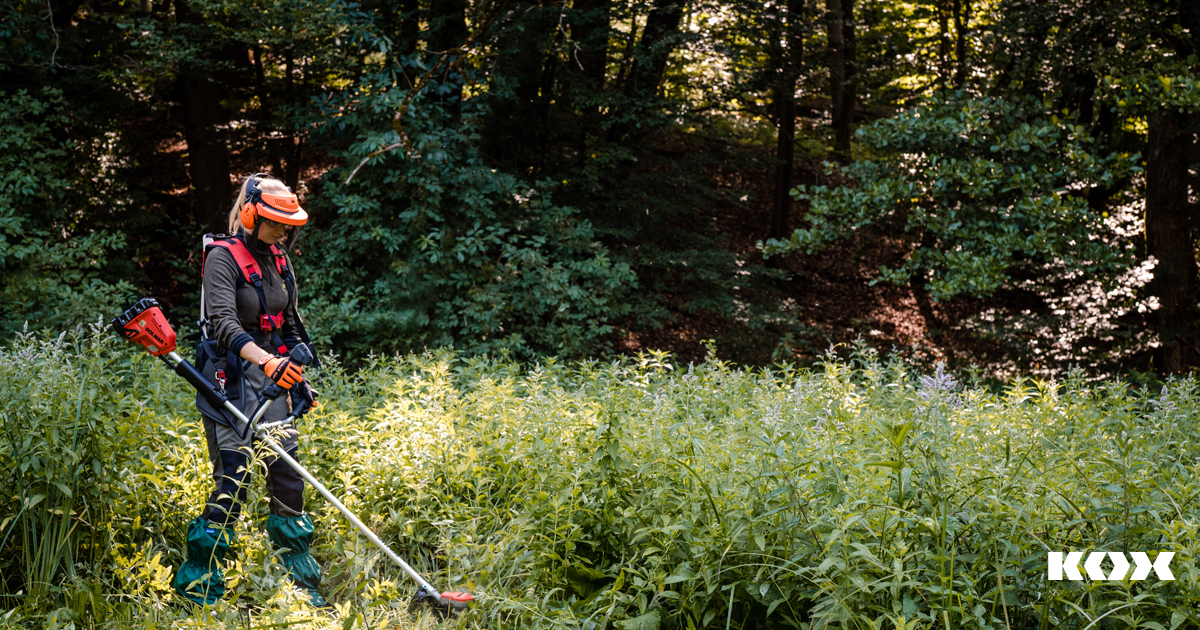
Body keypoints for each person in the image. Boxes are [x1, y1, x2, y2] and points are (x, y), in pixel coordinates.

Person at [172, 173, 325, 608]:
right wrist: (266, 360)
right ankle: (201, 589)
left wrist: (297, 366)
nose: (284, 231)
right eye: (276, 223)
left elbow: (291, 323)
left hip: (275, 384)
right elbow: (223, 325)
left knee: (288, 480)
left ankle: (300, 587)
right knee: (231, 486)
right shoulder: (222, 257)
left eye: (288, 224)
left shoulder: (279, 259)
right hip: (232, 381)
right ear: (251, 213)